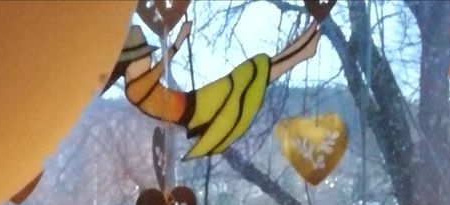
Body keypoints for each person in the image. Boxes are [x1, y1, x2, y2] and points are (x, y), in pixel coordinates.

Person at [108, 20, 324, 159]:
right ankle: (301, 52)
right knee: (249, 74)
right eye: (145, 57)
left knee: (251, 71)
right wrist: (180, 38)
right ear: (130, 64)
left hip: (195, 102)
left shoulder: (137, 86)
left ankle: (302, 49)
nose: (149, 60)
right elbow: (161, 67)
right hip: (195, 111)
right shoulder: (134, 89)